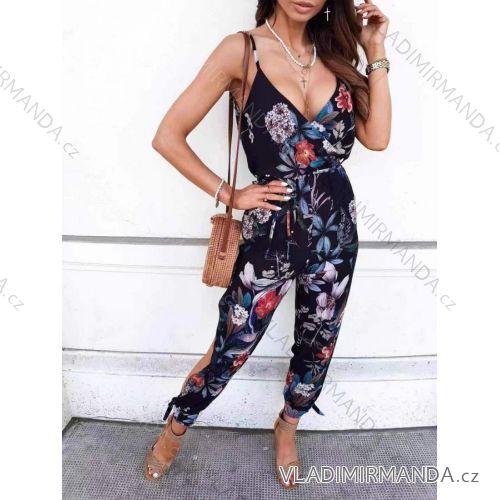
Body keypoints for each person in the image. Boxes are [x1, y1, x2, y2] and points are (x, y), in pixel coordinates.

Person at [144, 0, 391, 489]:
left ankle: (288, 427)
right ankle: (176, 426)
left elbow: (377, 137)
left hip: (335, 230)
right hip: (270, 232)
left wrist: (374, 50)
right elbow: (167, 136)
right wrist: (231, 194)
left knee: (318, 342)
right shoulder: (241, 51)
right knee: (232, 342)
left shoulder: (336, 53)